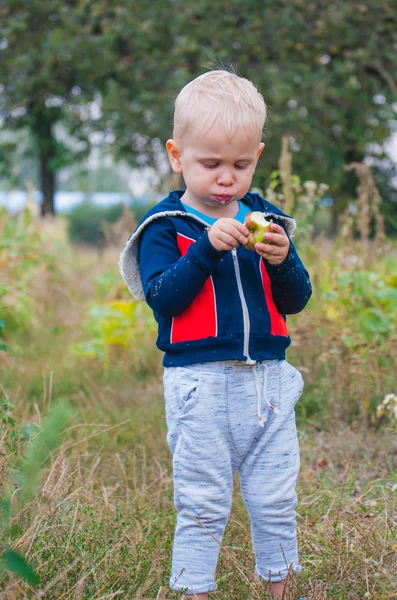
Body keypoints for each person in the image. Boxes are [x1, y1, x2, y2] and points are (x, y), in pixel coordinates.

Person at [119, 69, 311, 600]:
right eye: (211, 164)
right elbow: (164, 298)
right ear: (177, 156)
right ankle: (194, 592)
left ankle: (282, 591)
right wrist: (205, 248)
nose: (227, 178)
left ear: (258, 155)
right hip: (200, 386)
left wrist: (283, 259)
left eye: (241, 164)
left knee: (275, 499)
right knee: (203, 503)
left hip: (269, 382)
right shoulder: (168, 223)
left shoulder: (266, 219)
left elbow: (295, 300)